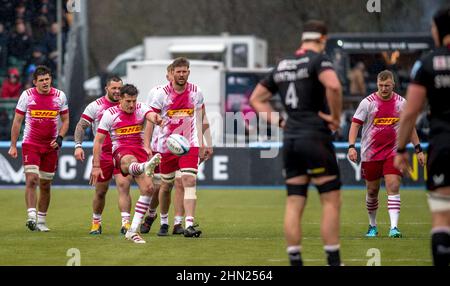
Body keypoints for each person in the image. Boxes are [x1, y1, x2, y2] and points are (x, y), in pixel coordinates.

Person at [250, 20, 343, 266]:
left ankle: (295, 260)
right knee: (330, 200)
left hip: (290, 139)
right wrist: (335, 117)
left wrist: (282, 123)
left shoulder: (282, 63)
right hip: (316, 137)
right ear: (323, 39)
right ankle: (334, 260)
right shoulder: (318, 60)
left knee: (294, 201)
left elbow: (256, 99)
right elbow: (333, 85)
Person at [394, 6, 450, 266]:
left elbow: (409, 113)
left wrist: (401, 149)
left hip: (444, 144)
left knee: (442, 218)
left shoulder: (427, 63)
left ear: (438, 30)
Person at [348, 70, 425, 238]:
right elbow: (355, 125)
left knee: (393, 184)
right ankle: (372, 225)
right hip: (371, 153)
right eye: (381, 85)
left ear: (393, 85)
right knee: (372, 191)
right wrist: (351, 146)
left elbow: (409, 127)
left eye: (387, 85)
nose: (383, 88)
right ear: (377, 84)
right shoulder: (367, 103)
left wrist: (418, 149)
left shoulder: (401, 103)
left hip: (393, 152)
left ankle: (394, 228)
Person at [149, 57, 213, 238]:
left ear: (188, 72)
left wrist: (206, 143)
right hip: (166, 145)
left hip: (189, 143)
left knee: (188, 181)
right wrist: (146, 145)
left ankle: (188, 224)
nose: (182, 74)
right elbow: (150, 120)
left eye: (185, 71)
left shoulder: (196, 92)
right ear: (172, 73)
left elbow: (202, 118)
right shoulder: (161, 94)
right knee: (166, 185)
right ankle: (163, 221)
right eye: (178, 71)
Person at [92, 84, 162, 244]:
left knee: (149, 189)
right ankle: (144, 167)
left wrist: (156, 119)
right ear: (120, 99)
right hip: (121, 151)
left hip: (139, 150)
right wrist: (96, 166)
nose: (132, 105)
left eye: (134, 101)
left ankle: (132, 230)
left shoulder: (140, 107)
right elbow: (98, 141)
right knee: (129, 161)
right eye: (128, 101)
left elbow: (150, 114)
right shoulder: (110, 114)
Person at [8, 65, 69, 232]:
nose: (45, 82)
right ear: (35, 82)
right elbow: (17, 121)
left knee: (45, 185)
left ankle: (42, 221)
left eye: (47, 79)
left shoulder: (59, 96)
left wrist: (60, 138)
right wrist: (13, 145)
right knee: (31, 179)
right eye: (41, 80)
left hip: (50, 146)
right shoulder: (27, 96)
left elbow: (65, 120)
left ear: (51, 79)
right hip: (31, 144)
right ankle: (31, 216)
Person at [74, 75, 133, 235]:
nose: (117, 91)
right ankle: (96, 223)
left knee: (124, 186)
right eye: (113, 88)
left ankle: (126, 224)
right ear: (106, 88)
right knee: (100, 191)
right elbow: (81, 126)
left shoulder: (129, 105)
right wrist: (78, 146)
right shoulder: (96, 106)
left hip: (123, 153)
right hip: (103, 154)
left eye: (119, 88)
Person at [141, 64, 186, 236]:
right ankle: (151, 215)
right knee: (160, 187)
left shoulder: (187, 93)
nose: (174, 76)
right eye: (172, 73)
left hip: (180, 146)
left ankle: (176, 223)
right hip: (160, 146)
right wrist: (147, 144)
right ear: (168, 75)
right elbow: (150, 120)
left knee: (180, 183)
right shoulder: (157, 92)